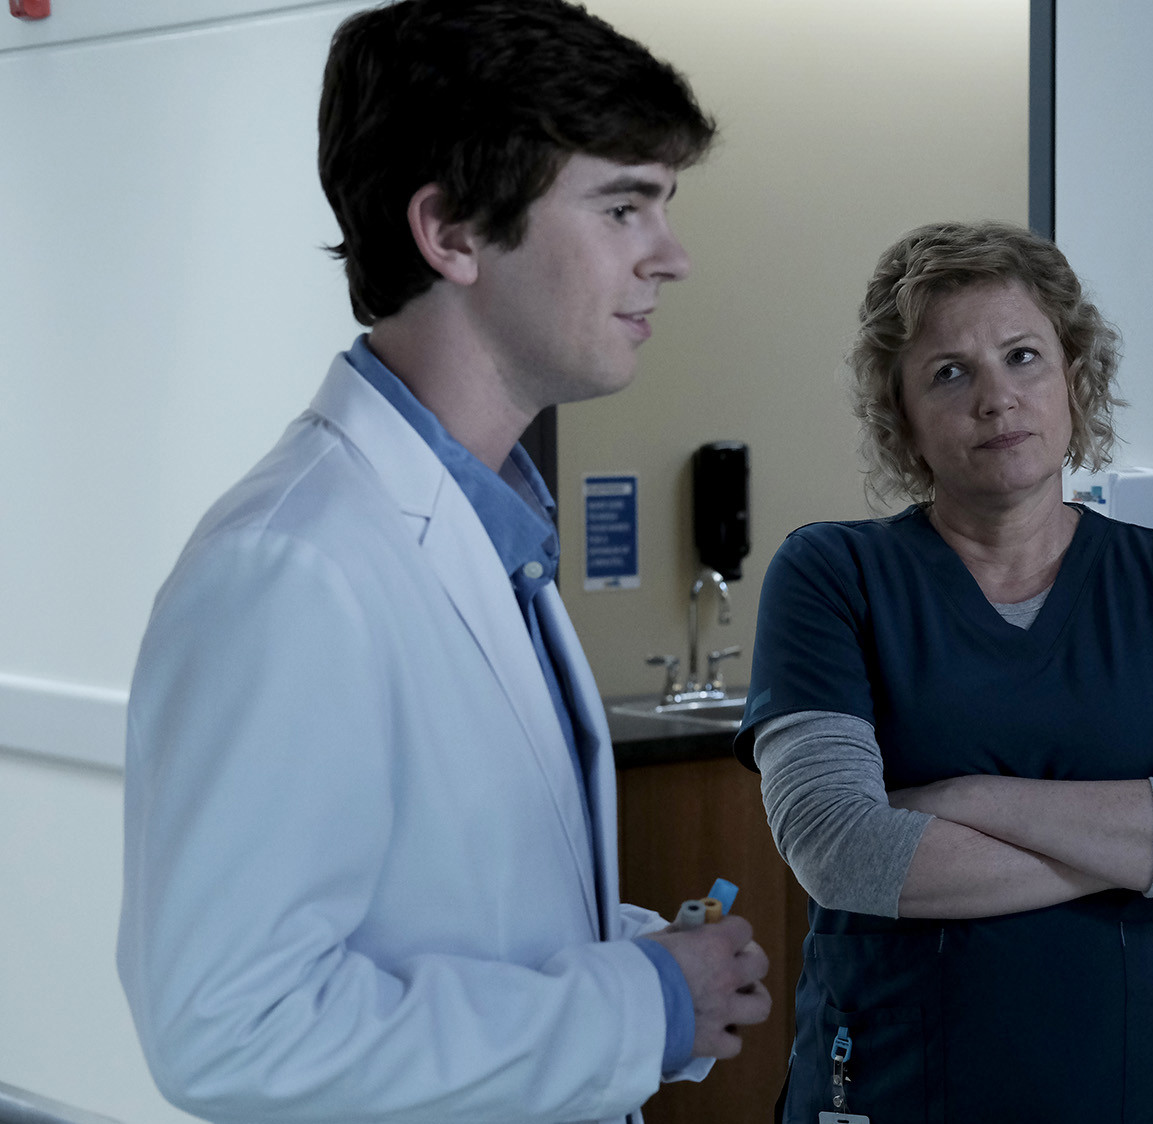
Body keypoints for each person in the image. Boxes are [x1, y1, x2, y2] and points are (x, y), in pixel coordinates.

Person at [116, 3, 770, 1120]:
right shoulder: (291, 568)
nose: (671, 256)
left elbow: (444, 917)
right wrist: (635, 1006)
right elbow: (230, 1030)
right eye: (623, 206)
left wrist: (646, 961)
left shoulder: (486, 531)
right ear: (452, 232)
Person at [736, 221, 1153, 1123]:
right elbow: (841, 849)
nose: (997, 399)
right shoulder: (832, 574)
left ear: (1073, 375)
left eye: (1023, 357)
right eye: (950, 373)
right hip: (899, 1082)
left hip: (1145, 1083)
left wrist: (966, 799)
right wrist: (1138, 851)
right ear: (902, 414)